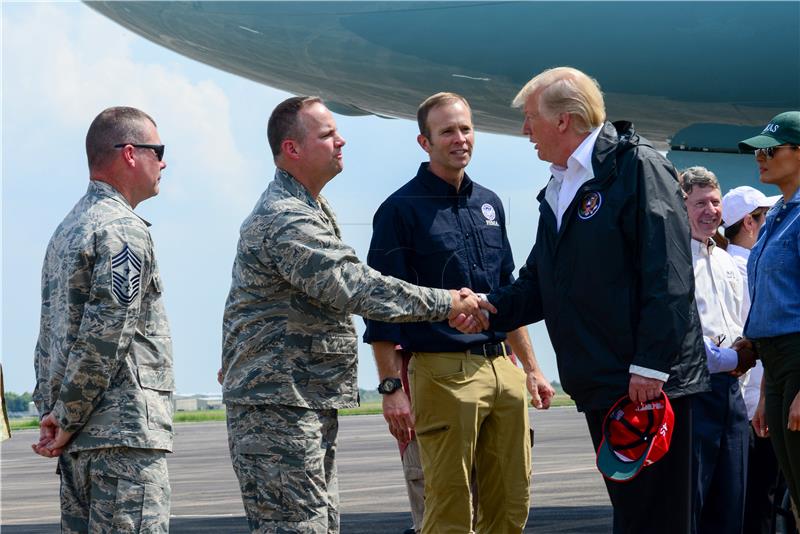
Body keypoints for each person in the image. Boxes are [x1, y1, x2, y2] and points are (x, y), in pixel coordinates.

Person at [453, 66, 710, 533]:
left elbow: (668, 272)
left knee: (660, 520)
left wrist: (651, 366)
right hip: (604, 383)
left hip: (648, 387)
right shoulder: (560, 184)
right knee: (634, 518)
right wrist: (492, 309)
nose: (524, 130)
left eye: (531, 118)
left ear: (564, 120)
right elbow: (541, 279)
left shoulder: (636, 168)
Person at [220, 96, 492, 534]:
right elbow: (357, 287)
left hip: (298, 399)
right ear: (292, 149)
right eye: (327, 134)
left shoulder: (310, 207)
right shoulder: (286, 219)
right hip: (279, 409)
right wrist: (448, 303)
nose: (341, 140)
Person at [364, 92, 554, 534]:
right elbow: (380, 307)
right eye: (447, 131)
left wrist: (531, 369)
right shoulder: (399, 210)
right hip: (443, 374)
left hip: (502, 370)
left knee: (511, 505)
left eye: (466, 128)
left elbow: (509, 293)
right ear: (423, 142)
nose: (460, 139)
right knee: (449, 511)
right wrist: (392, 387)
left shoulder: (489, 203)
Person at [31, 106, 173, 532]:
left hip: (79, 442)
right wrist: (68, 417)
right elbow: (105, 336)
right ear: (130, 154)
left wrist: (57, 416)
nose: (163, 162)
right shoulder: (122, 229)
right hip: (122, 441)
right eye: (158, 150)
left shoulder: (68, 228)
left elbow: (48, 341)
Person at [679, 167, 753, 534]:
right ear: (682, 206)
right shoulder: (674, 260)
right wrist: (734, 358)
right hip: (694, 395)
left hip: (732, 398)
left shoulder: (727, 262)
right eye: (699, 203)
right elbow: (683, 335)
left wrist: (745, 354)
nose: (710, 210)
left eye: (715, 201)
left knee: (731, 505)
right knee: (692, 506)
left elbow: (743, 324)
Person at [740, 111, 800, 527]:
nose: (760, 157)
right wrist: (765, 392)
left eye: (770, 149)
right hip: (777, 366)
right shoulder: (779, 213)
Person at [722, 185, 783, 534]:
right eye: (766, 216)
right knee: (762, 504)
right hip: (759, 405)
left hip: (738, 405)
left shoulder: (722, 264)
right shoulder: (752, 270)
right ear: (750, 222)